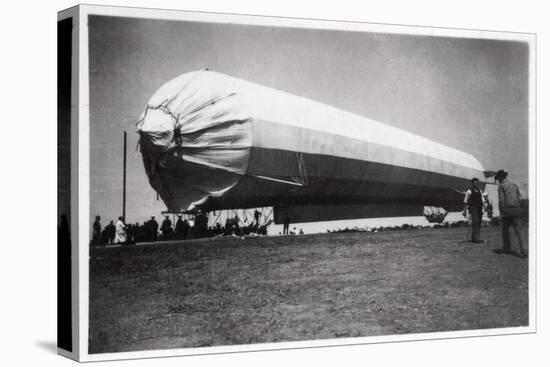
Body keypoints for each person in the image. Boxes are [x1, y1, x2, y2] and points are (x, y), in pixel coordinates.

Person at [495, 170, 526, 257]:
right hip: (517, 209)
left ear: (501, 178)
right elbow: (518, 197)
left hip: (507, 210)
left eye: (498, 179)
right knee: (520, 231)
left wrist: (501, 213)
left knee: (505, 230)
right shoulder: (514, 185)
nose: (498, 180)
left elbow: (501, 200)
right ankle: (525, 250)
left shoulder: (501, 186)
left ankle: (506, 248)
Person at [463, 178, 485, 243]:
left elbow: (482, 200)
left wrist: (485, 206)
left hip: (479, 208)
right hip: (473, 208)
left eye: (477, 183)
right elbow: (465, 201)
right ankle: (476, 239)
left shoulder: (480, 191)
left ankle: (475, 238)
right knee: (476, 222)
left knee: (479, 222)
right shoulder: (469, 191)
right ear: (472, 183)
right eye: (475, 183)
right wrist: (464, 211)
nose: (476, 184)